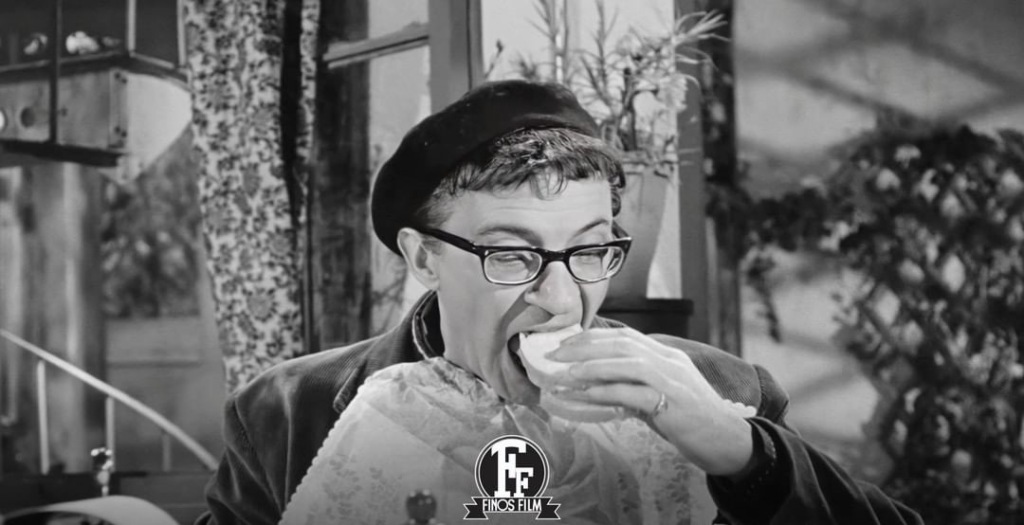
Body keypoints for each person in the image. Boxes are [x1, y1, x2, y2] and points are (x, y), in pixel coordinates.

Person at [196, 80, 923, 524]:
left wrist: (742, 452)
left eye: (589, 250)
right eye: (513, 254)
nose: (561, 296)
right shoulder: (285, 414)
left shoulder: (725, 389)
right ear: (423, 257)